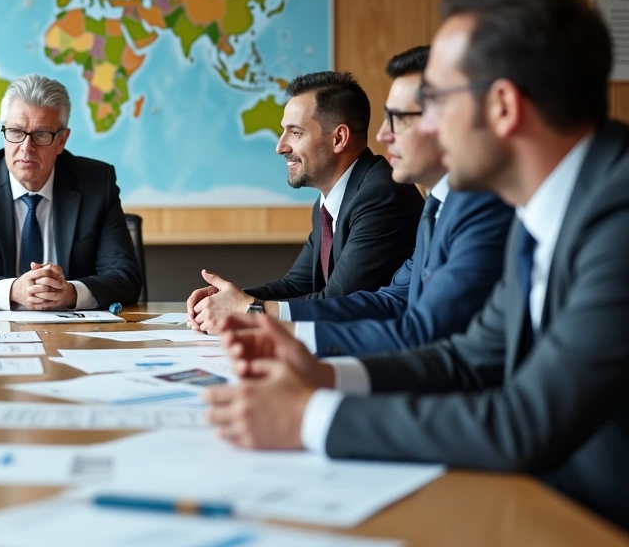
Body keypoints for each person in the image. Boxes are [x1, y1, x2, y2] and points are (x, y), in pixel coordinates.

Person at [204, 0, 629, 530]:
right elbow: (469, 355)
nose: (405, 131)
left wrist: (311, 417)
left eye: (435, 102)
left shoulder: (616, 213)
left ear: (502, 106)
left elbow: (525, 421)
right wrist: (323, 376)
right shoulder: (542, 205)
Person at [196, 47, 514, 358]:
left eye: (399, 119)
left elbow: (364, 307)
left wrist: (253, 311)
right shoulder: (433, 206)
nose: (384, 134)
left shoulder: (386, 194)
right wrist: (230, 300)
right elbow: (389, 300)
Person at [186, 71, 424, 329]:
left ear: (339, 139)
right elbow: (297, 285)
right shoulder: (329, 201)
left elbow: (337, 301)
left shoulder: (380, 195)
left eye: (295, 132)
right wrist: (227, 299)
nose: (280, 146)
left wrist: (248, 308)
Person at [0, 74, 141, 310]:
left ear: (62, 141)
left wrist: (70, 293)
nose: (26, 148)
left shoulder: (97, 183)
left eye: (41, 135)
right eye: (16, 132)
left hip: (75, 335)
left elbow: (126, 277)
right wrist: (12, 290)